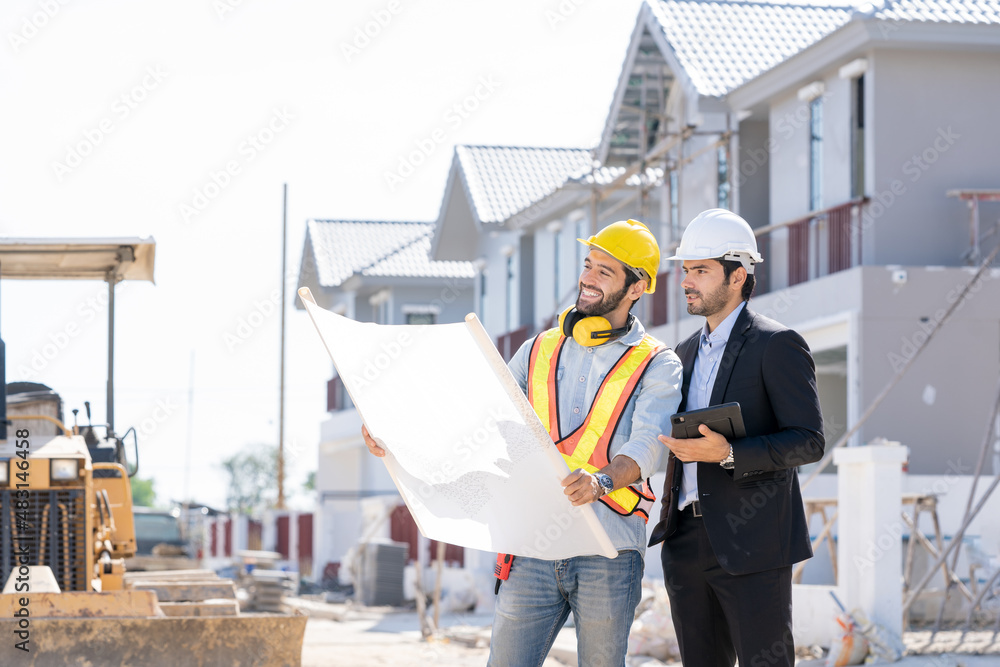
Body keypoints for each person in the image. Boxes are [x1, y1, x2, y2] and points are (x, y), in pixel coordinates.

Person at [364, 219, 682, 666]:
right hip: (531, 545)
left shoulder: (657, 363)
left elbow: (651, 442)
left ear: (638, 287)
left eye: (605, 272)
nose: (588, 278)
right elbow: (478, 425)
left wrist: (601, 482)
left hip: (607, 549)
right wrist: (397, 440)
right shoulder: (536, 350)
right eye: (589, 265)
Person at [648, 208, 825, 667]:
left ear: (737, 275)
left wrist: (728, 453)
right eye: (686, 270)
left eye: (700, 271)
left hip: (755, 545)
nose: (687, 281)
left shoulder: (777, 344)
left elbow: (808, 440)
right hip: (685, 542)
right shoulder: (680, 354)